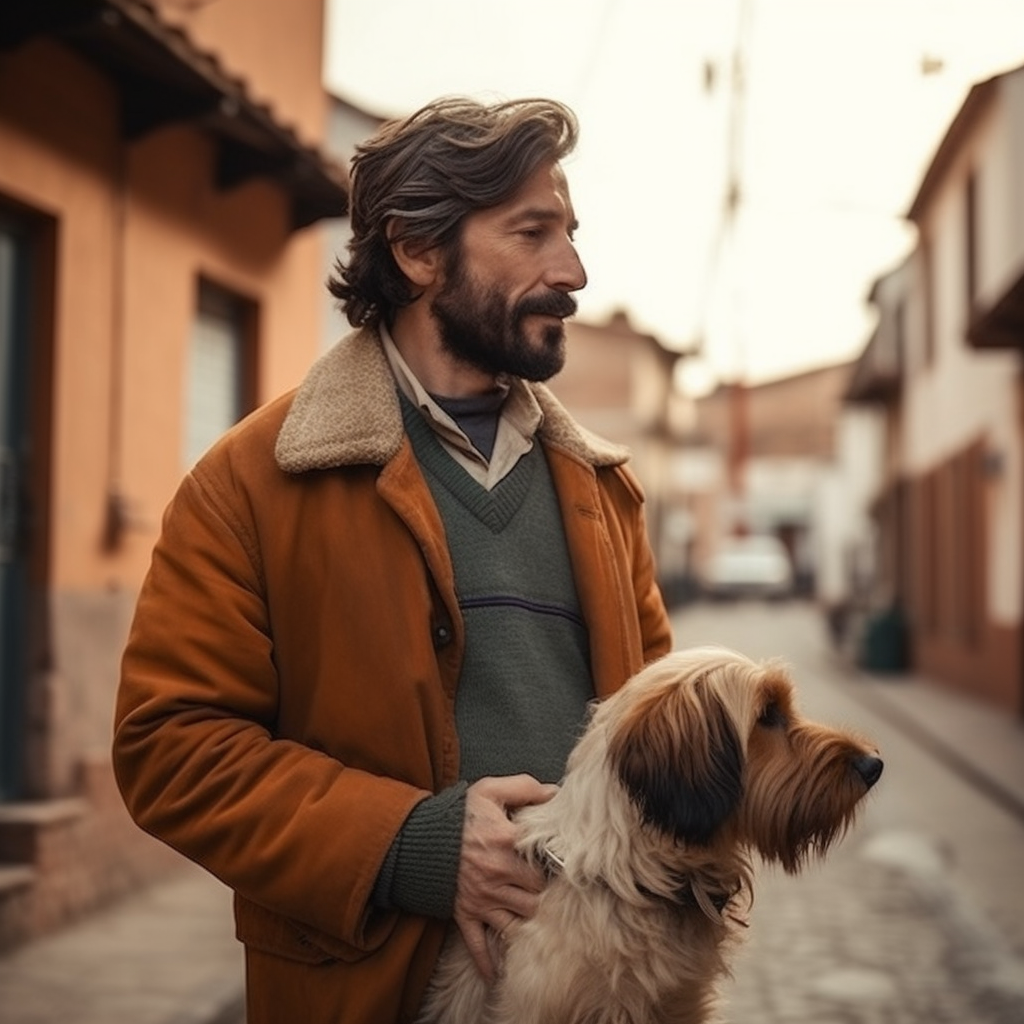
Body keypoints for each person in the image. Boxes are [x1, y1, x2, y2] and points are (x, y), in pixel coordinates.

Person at [112, 96, 672, 1024]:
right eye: (532, 233)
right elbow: (171, 750)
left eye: (569, 233)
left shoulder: (606, 494)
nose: (572, 270)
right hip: (368, 995)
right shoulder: (248, 484)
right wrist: (415, 843)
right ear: (416, 251)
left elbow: (655, 755)